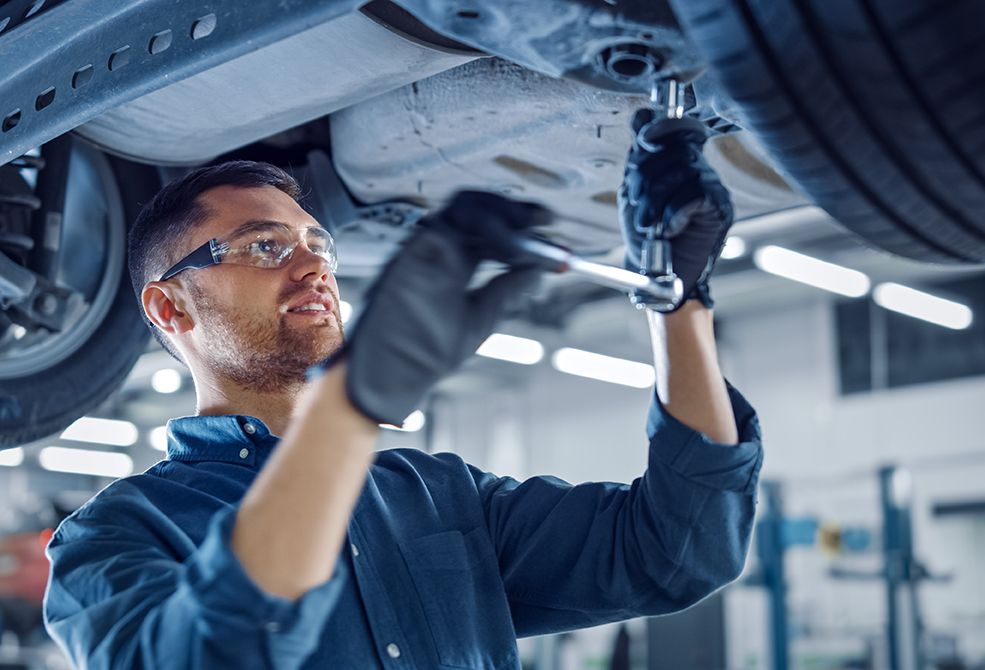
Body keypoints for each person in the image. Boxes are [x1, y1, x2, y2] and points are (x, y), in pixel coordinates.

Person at [42, 112, 763, 669]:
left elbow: (677, 550)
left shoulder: (440, 496)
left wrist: (678, 301)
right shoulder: (112, 538)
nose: (313, 268)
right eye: (265, 246)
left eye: (318, 246)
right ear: (169, 308)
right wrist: (349, 407)